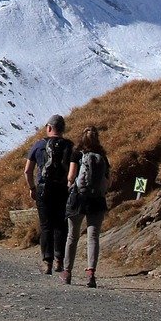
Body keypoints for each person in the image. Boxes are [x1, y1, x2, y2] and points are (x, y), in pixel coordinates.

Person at [61, 125, 111, 287]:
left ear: (82, 138)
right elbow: (107, 181)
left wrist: (70, 186)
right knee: (93, 237)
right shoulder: (102, 156)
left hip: (78, 198)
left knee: (72, 236)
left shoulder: (77, 154)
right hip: (97, 200)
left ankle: (67, 272)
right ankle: (91, 273)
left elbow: (71, 176)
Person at [23, 114, 73, 274]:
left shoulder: (39, 145)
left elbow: (27, 170)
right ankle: (59, 261)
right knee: (61, 225)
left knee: (46, 226)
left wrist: (32, 188)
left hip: (44, 190)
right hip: (63, 190)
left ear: (49, 128)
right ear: (63, 129)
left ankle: (47, 263)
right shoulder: (70, 146)